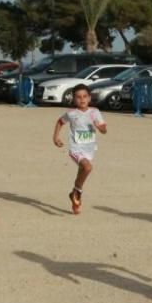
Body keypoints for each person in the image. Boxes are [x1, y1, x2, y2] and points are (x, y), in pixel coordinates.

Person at [52, 84, 106, 214]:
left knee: (82, 171)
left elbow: (104, 130)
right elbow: (60, 122)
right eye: (78, 97)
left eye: (85, 96)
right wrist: (56, 137)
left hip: (90, 149)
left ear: (89, 98)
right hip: (76, 148)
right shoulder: (71, 113)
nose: (82, 99)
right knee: (88, 167)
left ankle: (75, 195)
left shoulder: (95, 112)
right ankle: (78, 192)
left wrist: (99, 127)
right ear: (74, 99)